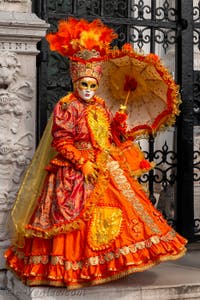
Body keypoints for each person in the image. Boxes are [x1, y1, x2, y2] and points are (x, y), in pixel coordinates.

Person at [4, 17, 187, 290]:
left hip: (105, 164)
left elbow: (106, 136)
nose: (88, 91)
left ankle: (108, 263)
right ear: (75, 82)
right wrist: (82, 164)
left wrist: (118, 125)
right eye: (83, 85)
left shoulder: (101, 105)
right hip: (74, 170)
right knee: (71, 219)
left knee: (124, 211)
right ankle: (72, 268)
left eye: (92, 85)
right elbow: (62, 141)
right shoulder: (66, 107)